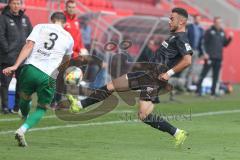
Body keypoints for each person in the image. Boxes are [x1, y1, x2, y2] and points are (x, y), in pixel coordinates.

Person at [68, 8, 192, 147]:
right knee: (112, 85)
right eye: (169, 18)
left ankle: (177, 133)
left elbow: (187, 60)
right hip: (146, 72)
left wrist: (168, 73)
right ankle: (79, 105)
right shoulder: (173, 36)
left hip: (154, 78)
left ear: (182, 21)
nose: (169, 21)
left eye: (172, 19)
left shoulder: (182, 38)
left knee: (143, 116)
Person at [3, 12, 74, 147]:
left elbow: (28, 46)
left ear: (51, 20)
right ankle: (23, 129)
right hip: (48, 76)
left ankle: (24, 115)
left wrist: (15, 65)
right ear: (64, 23)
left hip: (30, 69)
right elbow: (67, 61)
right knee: (41, 108)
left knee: (25, 98)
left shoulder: (40, 26)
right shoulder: (69, 37)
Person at [0, 0, 32, 114]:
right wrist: (7, 50)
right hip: (8, 57)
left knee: (21, 83)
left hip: (22, 58)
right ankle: (4, 107)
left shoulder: (25, 19)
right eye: (14, 3)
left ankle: (17, 107)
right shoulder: (3, 18)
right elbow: (1, 36)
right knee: (5, 83)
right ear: (9, 4)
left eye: (18, 3)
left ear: (21, 5)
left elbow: (31, 36)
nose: (16, 6)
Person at [196, 17, 233, 97]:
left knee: (216, 76)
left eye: (220, 22)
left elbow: (225, 44)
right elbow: (203, 43)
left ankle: (213, 92)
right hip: (210, 57)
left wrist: (230, 38)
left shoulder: (222, 32)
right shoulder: (209, 31)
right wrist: (205, 54)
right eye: (217, 22)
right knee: (204, 74)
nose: (219, 24)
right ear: (214, 23)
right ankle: (198, 90)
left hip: (218, 57)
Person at [185, 14, 204, 90]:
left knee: (192, 70)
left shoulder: (201, 29)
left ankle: (188, 86)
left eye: (199, 19)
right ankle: (180, 85)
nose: (198, 20)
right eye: (196, 19)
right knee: (185, 68)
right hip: (189, 50)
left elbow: (201, 42)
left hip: (196, 51)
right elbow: (185, 39)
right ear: (194, 19)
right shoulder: (189, 27)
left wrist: (201, 53)